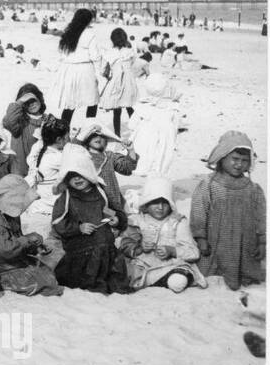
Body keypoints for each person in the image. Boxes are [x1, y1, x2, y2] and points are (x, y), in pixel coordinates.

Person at [50, 144, 132, 294]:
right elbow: (57, 222)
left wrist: (116, 219)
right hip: (81, 246)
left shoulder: (101, 192)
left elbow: (113, 210)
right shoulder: (67, 197)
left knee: (114, 276)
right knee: (88, 278)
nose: (76, 179)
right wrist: (78, 228)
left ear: (88, 173)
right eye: (71, 176)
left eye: (80, 174)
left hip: (105, 244)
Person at [189, 131, 266, 291]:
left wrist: (262, 241)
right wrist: (201, 238)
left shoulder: (253, 189)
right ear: (222, 157)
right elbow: (198, 212)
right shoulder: (208, 184)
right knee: (213, 274)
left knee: (246, 275)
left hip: (245, 240)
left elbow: (261, 218)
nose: (239, 164)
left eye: (244, 161)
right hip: (215, 240)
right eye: (235, 159)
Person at [0, 174, 62, 296]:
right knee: (38, 281)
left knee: (46, 272)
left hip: (10, 262)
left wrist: (35, 247)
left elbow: (16, 239)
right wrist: (28, 239)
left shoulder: (10, 216)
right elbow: (6, 250)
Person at [121, 177, 206, 292]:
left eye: (165, 203)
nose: (160, 207)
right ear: (146, 203)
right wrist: (140, 248)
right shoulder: (136, 221)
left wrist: (172, 251)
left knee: (177, 282)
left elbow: (193, 252)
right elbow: (124, 244)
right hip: (143, 268)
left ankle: (162, 282)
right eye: (155, 202)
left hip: (170, 267)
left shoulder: (178, 221)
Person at [49, 8, 101, 131]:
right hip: (84, 69)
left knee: (69, 104)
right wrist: (102, 69)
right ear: (88, 20)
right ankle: (88, 129)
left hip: (68, 70)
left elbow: (62, 54)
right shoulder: (89, 34)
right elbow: (95, 56)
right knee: (92, 102)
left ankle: (63, 131)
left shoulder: (67, 33)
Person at [74, 121, 139, 215]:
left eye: (102, 136)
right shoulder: (79, 155)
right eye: (93, 136)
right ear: (86, 139)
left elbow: (127, 169)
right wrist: (89, 128)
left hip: (111, 203)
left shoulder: (110, 156)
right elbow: (72, 147)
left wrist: (131, 150)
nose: (98, 138)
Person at [129, 72, 183, 177]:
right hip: (166, 136)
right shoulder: (172, 107)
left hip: (146, 135)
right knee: (162, 156)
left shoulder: (143, 107)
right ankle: (157, 172)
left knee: (145, 154)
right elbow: (175, 127)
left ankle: (144, 169)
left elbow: (131, 125)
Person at [97, 27, 143, 137]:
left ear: (112, 39)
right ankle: (136, 130)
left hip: (116, 81)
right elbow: (133, 64)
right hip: (129, 80)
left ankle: (117, 134)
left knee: (117, 110)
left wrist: (108, 75)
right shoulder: (130, 52)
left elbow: (103, 70)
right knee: (130, 106)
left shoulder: (109, 53)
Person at [2, 84, 46, 176]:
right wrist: (19, 103)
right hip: (23, 172)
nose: (31, 104)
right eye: (26, 102)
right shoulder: (20, 122)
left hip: (44, 171)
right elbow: (8, 122)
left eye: (33, 100)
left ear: (39, 99)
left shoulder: (49, 120)